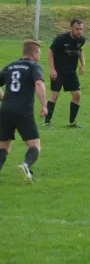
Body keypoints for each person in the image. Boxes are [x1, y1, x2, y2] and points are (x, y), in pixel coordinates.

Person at [0, 40, 48, 184]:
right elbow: (39, 83)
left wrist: (4, 98)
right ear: (34, 53)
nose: (39, 56)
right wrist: (44, 105)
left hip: (5, 111)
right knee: (34, 145)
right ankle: (26, 166)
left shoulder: (10, 66)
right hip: (23, 112)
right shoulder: (34, 66)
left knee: (4, 146)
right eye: (39, 53)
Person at [45, 18, 86, 128]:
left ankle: (72, 122)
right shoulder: (61, 39)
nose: (79, 31)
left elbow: (80, 50)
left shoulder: (81, 39)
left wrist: (83, 64)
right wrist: (52, 69)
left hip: (71, 72)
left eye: (81, 29)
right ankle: (47, 121)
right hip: (58, 71)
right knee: (55, 95)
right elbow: (50, 52)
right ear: (71, 28)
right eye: (77, 29)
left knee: (77, 95)